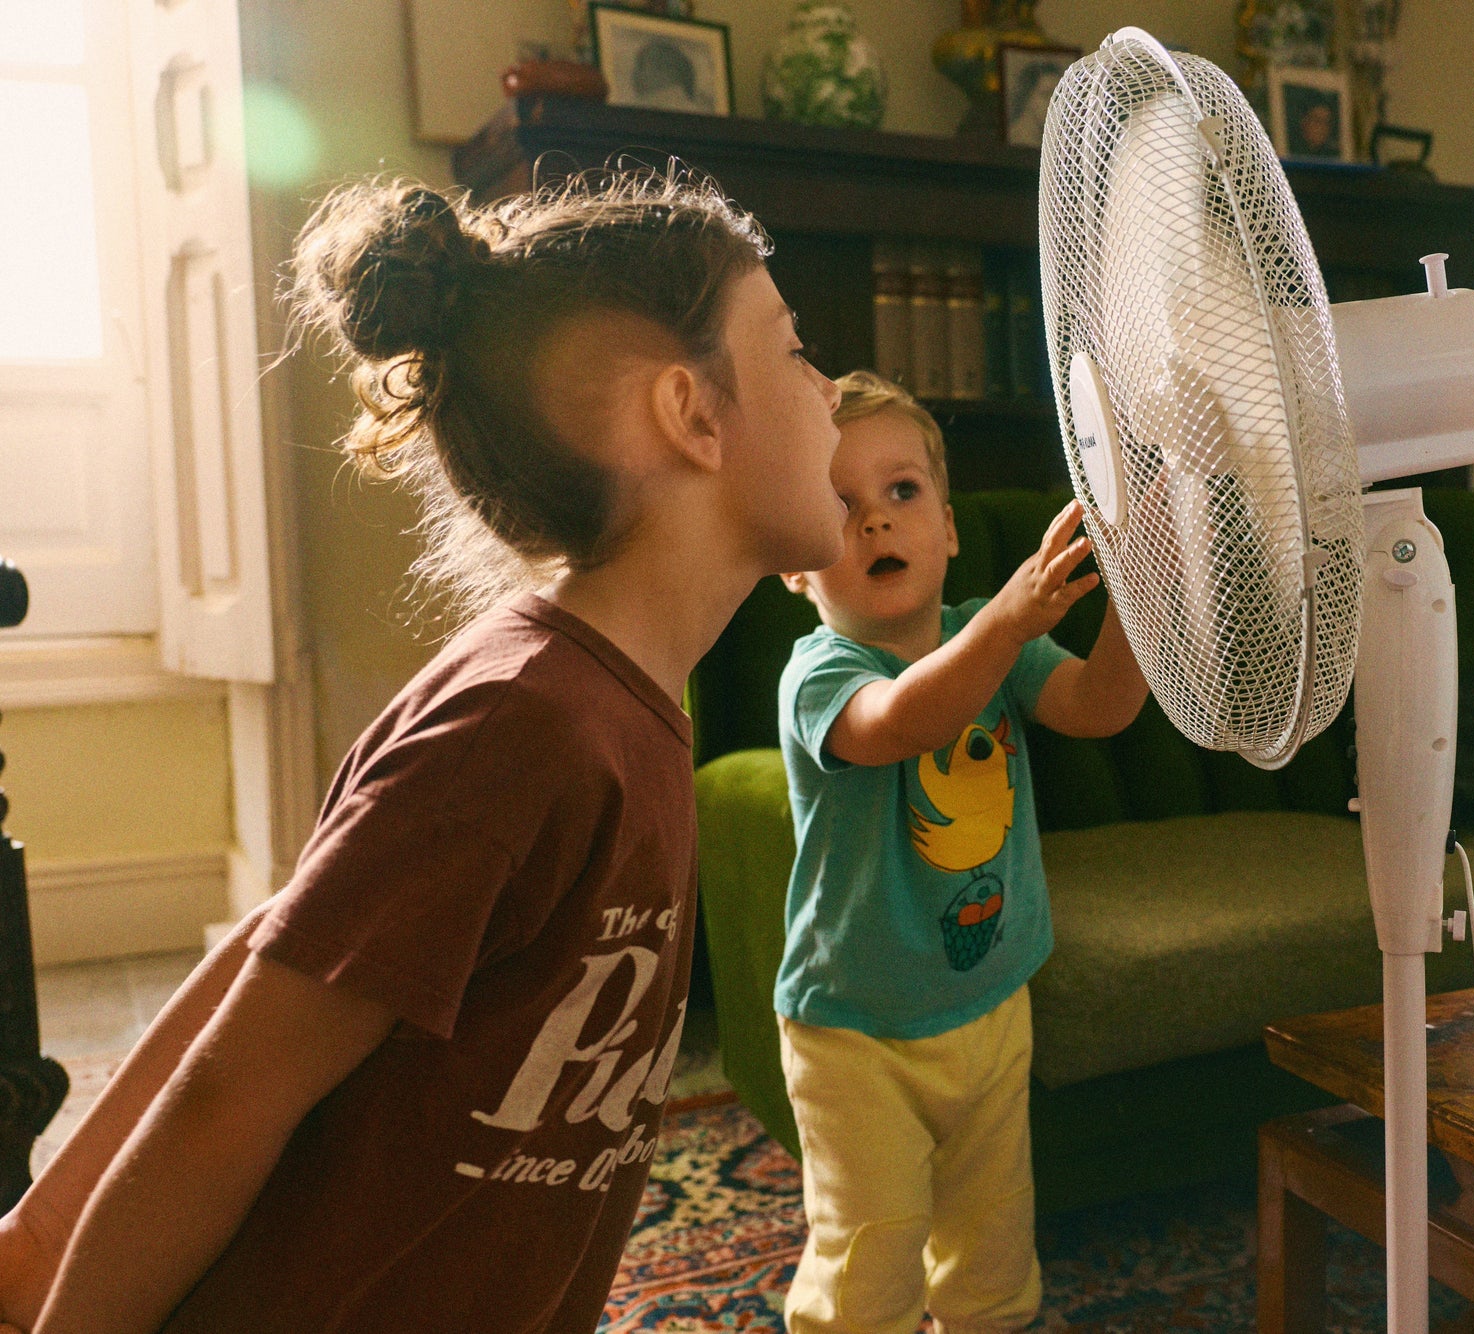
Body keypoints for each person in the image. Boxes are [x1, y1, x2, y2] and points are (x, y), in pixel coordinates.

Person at [0, 169, 846, 1334]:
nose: (831, 391)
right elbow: (227, 1097)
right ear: (689, 412)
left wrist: (34, 1238)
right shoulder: (515, 727)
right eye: (794, 350)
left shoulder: (618, 706)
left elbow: (278, 937)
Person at [775, 371, 1150, 1334]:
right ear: (795, 562)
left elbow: (1098, 707)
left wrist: (1147, 594)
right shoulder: (820, 675)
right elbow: (904, 721)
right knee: (870, 1256)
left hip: (991, 1001)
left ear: (946, 528)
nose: (875, 520)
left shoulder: (993, 641)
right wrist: (1007, 622)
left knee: (992, 1238)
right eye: (839, 504)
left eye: (902, 491)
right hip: (855, 1031)